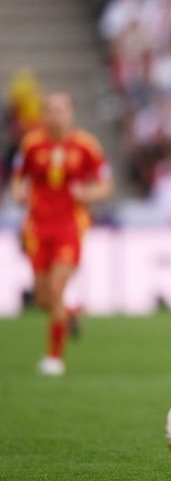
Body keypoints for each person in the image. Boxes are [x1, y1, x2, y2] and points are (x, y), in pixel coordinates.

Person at [11, 91, 113, 376]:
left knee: (56, 288)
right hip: (37, 226)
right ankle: (70, 314)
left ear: (71, 113)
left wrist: (88, 193)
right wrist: (18, 192)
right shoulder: (31, 144)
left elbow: (106, 185)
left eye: (60, 110)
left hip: (70, 225)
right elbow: (18, 177)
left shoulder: (86, 146)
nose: (55, 115)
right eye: (50, 110)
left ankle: (54, 358)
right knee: (43, 299)